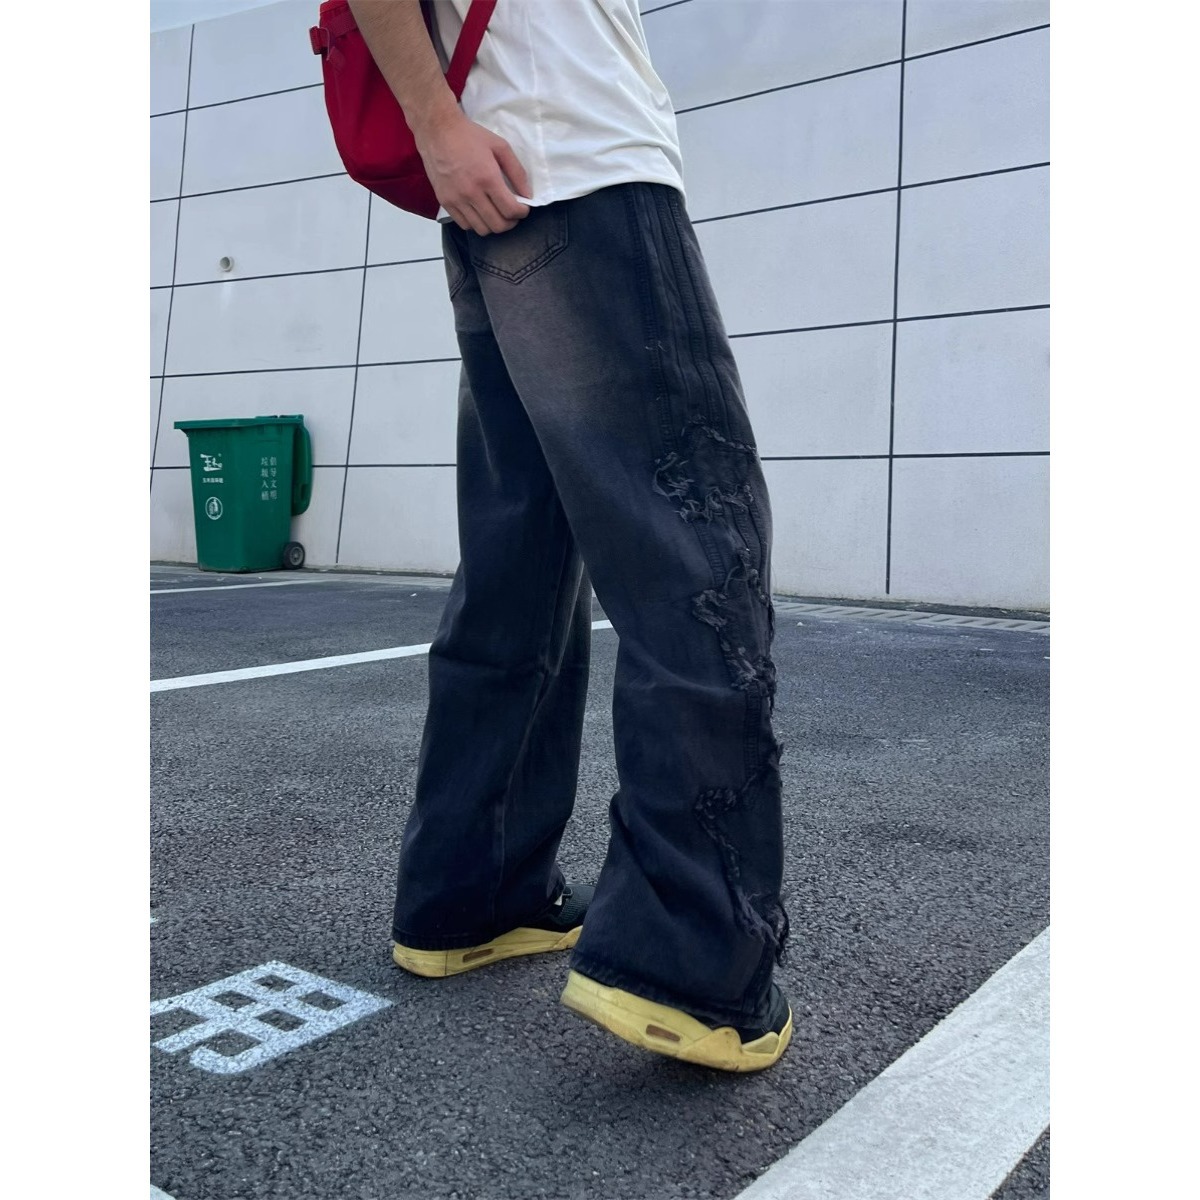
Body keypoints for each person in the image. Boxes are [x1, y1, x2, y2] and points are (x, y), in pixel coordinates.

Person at [349, 0, 791, 1072]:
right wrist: (438, 127)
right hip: (584, 173)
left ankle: (474, 895)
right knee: (697, 550)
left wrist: (449, 135)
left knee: (521, 565)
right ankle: (690, 963)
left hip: (502, 196)